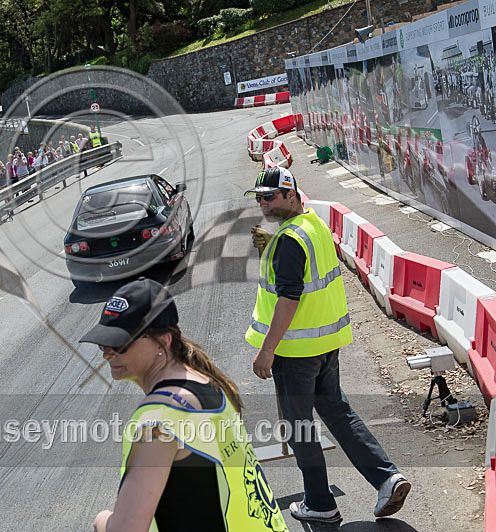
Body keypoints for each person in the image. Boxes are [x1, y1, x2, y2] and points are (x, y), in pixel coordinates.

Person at [245, 167, 410, 523]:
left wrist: (266, 350)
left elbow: (289, 297)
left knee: (300, 427)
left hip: (294, 352)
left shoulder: (288, 240)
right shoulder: (312, 225)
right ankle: (386, 477)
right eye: (258, 197)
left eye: (270, 196)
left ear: (291, 194)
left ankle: (320, 503)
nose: (262, 203)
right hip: (325, 344)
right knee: (337, 411)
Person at [85, 278, 288, 532]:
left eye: (120, 344)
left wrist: (101, 520)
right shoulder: (208, 382)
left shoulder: (159, 420)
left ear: (164, 342)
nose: (108, 353)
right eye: (104, 344)